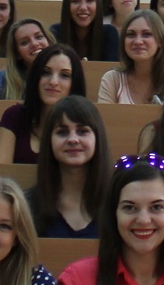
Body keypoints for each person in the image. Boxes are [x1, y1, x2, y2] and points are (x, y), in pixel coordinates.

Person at [29, 95, 109, 239]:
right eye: (62, 132)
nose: (73, 139)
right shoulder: (27, 205)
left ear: (97, 137)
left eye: (82, 131)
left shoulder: (117, 201)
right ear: (49, 141)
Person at [0, 41, 84, 164]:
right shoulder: (14, 116)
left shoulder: (85, 122)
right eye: (46, 72)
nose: (53, 82)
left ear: (75, 83)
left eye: (64, 75)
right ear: (35, 77)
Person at [98, 8, 164, 105]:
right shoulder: (113, 79)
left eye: (146, 34)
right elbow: (105, 115)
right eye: (131, 34)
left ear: (160, 41)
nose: (138, 41)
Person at [0, 17, 50, 102]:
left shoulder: (63, 74)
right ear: (17, 54)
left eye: (38, 37)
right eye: (24, 42)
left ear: (49, 41)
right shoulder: (0, 81)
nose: (34, 44)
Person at [55, 0, 120, 63]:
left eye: (89, 0)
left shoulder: (109, 33)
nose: (83, 7)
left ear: (98, 4)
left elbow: (112, 69)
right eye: (75, 1)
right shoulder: (54, 33)